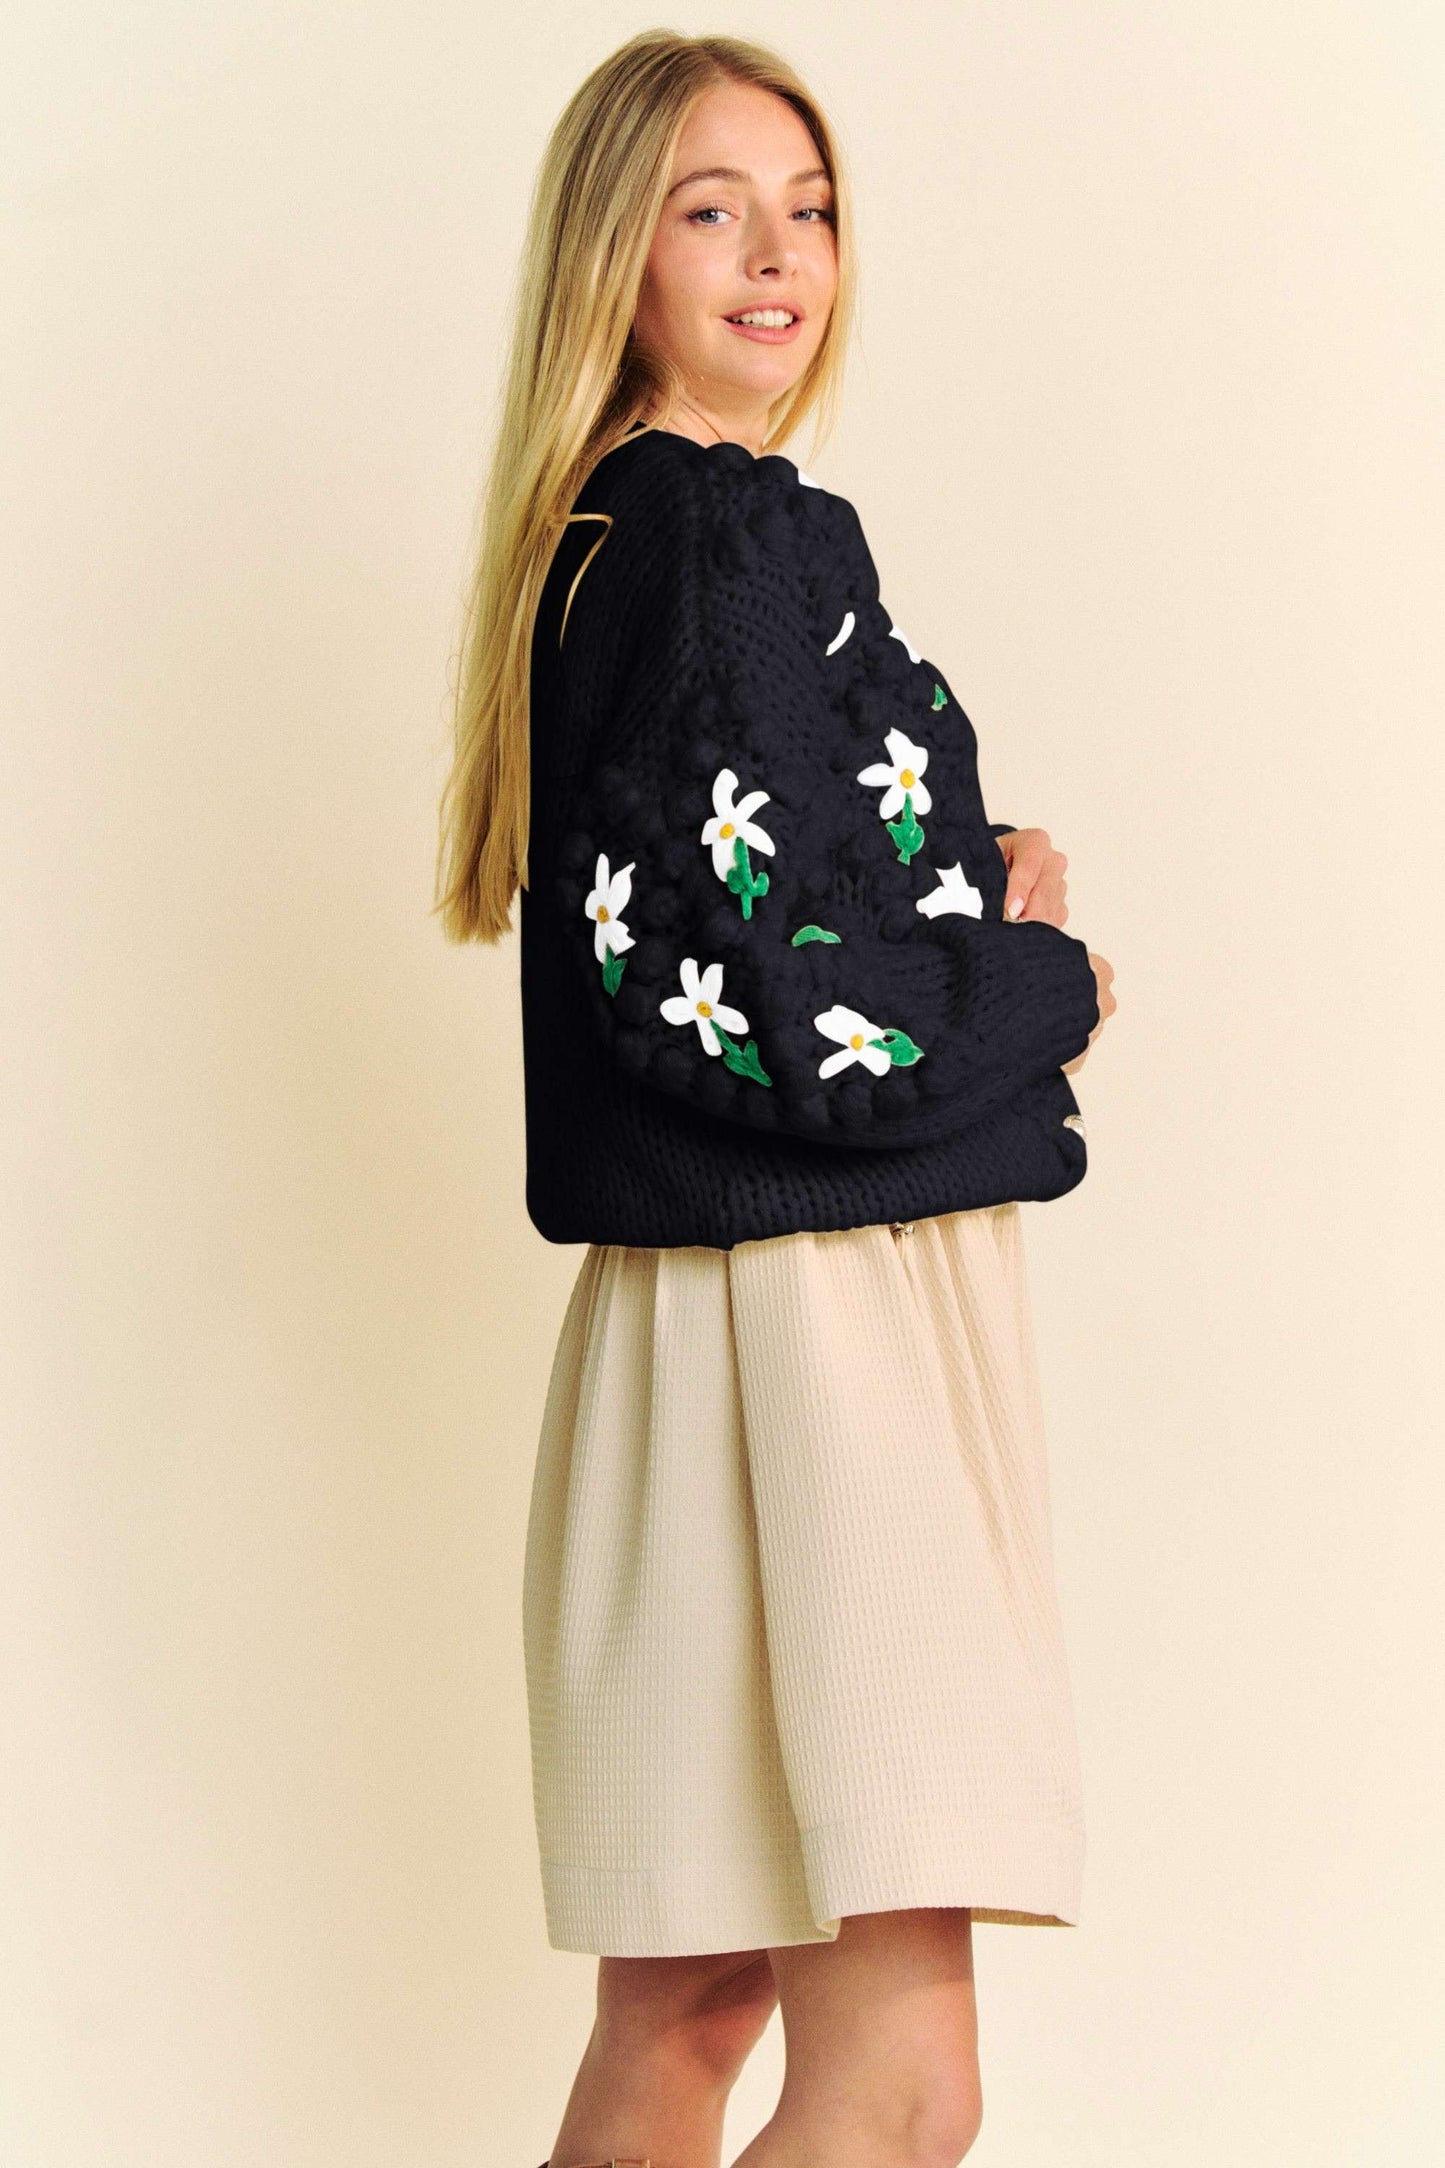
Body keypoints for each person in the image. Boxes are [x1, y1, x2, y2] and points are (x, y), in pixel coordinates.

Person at [434, 30, 1117, 2168]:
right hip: (819, 1341)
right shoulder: (723, 528)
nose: (776, 257)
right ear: (611, 253)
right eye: (712, 208)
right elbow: (767, 996)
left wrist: (945, 881)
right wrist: (1041, 982)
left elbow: (715, 904)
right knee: (899, 2087)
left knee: (686, 2015)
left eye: (807, 210)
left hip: (677, 1333)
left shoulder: (598, 532)